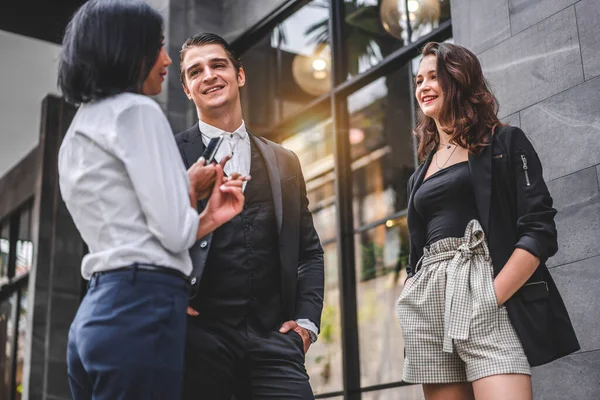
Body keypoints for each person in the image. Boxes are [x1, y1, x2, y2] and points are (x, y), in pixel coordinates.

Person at [57, 2, 247, 399]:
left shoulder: (78, 129)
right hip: (142, 306)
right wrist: (185, 191)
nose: (165, 59)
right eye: (159, 46)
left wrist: (207, 217)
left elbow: (130, 227)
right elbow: (175, 234)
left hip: (97, 311)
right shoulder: (137, 111)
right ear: (127, 49)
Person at [396, 42, 579, 400]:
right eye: (419, 80)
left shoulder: (504, 142)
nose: (423, 87)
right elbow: (416, 254)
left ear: (459, 80)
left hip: (484, 293)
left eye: (434, 77)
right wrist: (409, 294)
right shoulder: (419, 174)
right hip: (431, 305)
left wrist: (489, 299)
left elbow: (539, 230)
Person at [174, 33, 324, 399]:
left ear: (239, 75)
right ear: (187, 89)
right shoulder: (169, 154)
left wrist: (305, 324)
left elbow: (309, 252)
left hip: (275, 342)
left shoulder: (284, 160)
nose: (208, 75)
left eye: (218, 65)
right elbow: (147, 239)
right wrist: (171, 303)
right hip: (199, 344)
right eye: (196, 71)